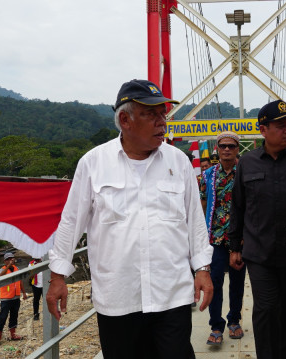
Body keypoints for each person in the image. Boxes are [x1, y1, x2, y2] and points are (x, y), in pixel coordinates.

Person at [46, 79, 214, 359]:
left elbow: (195, 221)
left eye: (164, 114)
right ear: (125, 120)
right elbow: (71, 221)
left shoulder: (178, 162)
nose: (163, 122)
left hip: (171, 294)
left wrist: (203, 270)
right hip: (118, 297)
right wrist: (57, 277)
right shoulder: (93, 163)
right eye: (152, 115)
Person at [228, 99, 286, 359]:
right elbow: (237, 207)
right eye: (281, 125)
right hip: (259, 255)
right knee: (266, 310)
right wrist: (234, 247)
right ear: (263, 129)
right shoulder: (247, 163)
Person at [199, 131, 246, 345]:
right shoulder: (208, 175)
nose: (227, 149)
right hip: (215, 239)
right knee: (214, 281)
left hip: (239, 239)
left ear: (237, 149)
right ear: (217, 149)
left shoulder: (245, 172)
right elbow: (201, 205)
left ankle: (234, 320)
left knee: (237, 281)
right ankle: (216, 325)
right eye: (223, 146)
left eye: (231, 146)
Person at [0, 252, 27, 345]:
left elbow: (20, 281)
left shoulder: (17, 269)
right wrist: (8, 266)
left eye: (11, 259)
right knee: (2, 317)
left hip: (16, 297)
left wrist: (23, 292)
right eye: (8, 259)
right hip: (6, 298)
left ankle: (13, 334)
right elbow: (0, 276)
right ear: (5, 261)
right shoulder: (3, 269)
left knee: (14, 316)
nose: (10, 260)